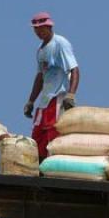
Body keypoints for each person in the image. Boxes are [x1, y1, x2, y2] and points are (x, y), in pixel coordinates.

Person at [24, 11, 80, 160]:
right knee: (37, 138)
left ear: (49, 27)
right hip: (44, 101)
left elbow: (74, 69)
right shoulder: (41, 50)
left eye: (42, 28)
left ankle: (54, 168)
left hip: (58, 97)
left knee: (54, 135)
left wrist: (71, 94)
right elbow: (40, 77)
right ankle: (39, 171)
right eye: (36, 29)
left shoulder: (60, 43)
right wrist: (31, 101)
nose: (39, 31)